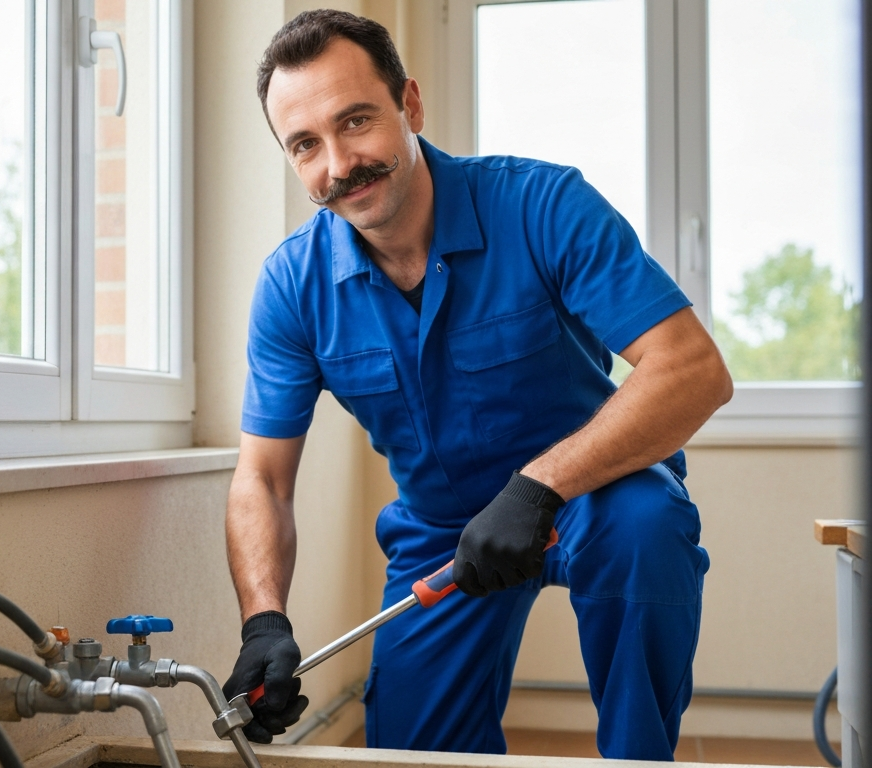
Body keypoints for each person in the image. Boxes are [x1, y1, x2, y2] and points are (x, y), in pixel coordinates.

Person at [219, 10, 731, 760]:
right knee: (409, 753)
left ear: (411, 107)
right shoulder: (293, 287)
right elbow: (262, 478)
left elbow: (692, 370)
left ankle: (640, 758)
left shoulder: (543, 207)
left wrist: (538, 487)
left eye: (355, 121)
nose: (338, 163)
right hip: (438, 530)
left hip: (592, 492)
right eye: (305, 145)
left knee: (645, 525)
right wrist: (263, 621)